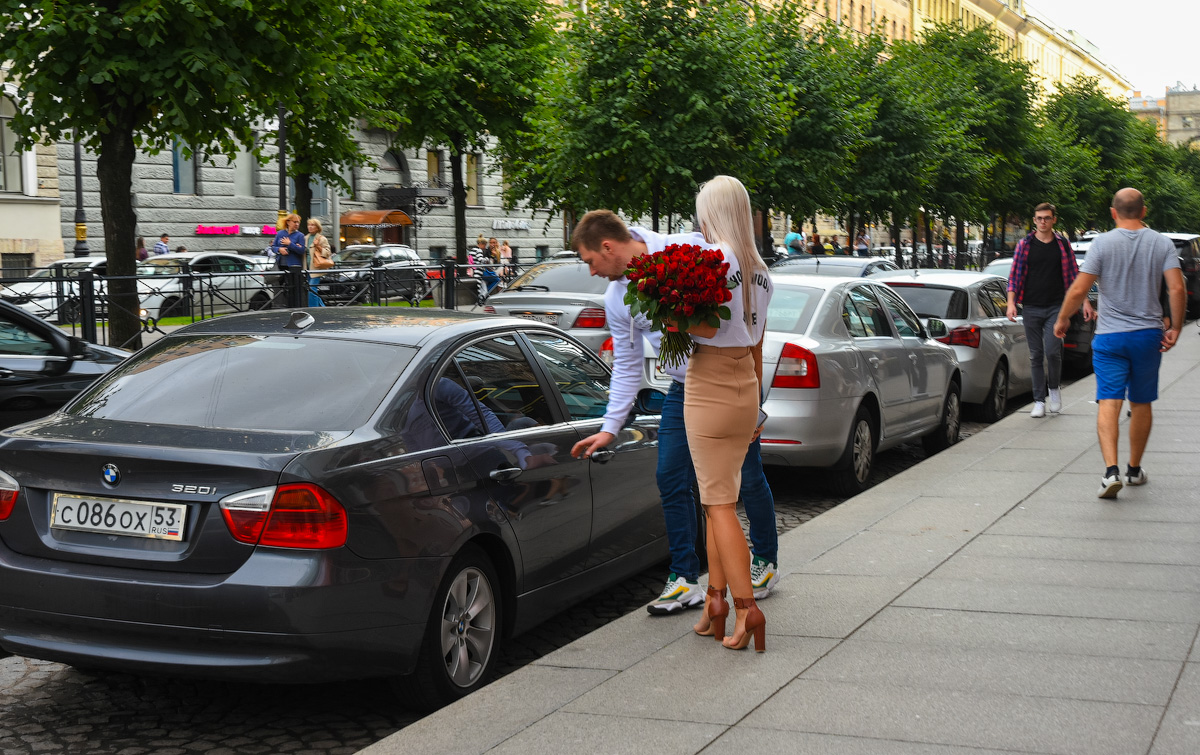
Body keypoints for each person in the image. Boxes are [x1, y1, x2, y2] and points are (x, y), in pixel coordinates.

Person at [569, 208, 780, 620]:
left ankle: (765, 563)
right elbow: (628, 364)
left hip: (724, 382)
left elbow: (747, 312)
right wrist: (610, 428)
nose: (591, 272)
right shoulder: (617, 298)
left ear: (608, 246)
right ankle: (685, 579)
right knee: (670, 475)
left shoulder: (688, 251)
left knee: (747, 476)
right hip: (685, 388)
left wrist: (752, 390)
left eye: (590, 261)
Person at [684, 175, 773, 652]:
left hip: (711, 383)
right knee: (720, 495)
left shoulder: (716, 259)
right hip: (744, 386)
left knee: (718, 505)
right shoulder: (760, 270)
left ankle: (746, 609)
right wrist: (756, 404)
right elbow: (757, 343)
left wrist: (671, 314)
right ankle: (714, 601)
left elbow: (704, 324)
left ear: (712, 212)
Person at [1054, 188, 1185, 499]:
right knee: (1141, 403)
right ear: (1144, 211)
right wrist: (1176, 326)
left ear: (1113, 212)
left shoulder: (1102, 244)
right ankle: (1134, 470)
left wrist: (1062, 320)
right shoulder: (1161, 243)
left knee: (1108, 401)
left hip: (1110, 337)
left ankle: (1110, 471)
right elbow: (1177, 288)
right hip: (1146, 336)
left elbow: (1077, 290)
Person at [1006, 203, 1096, 418]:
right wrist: (1011, 303)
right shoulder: (1025, 245)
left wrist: (1085, 302)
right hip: (1031, 307)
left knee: (1052, 352)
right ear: (1034, 220)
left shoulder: (1062, 245)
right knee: (1035, 355)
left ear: (1054, 219)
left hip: (1057, 307)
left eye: (1047, 218)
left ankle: (1054, 390)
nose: (1043, 221)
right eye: (1039, 218)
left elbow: (1075, 277)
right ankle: (1039, 400)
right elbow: (1014, 277)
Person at [271, 213, 306, 307]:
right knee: (281, 288)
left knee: (292, 288)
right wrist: (279, 249)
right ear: (288, 222)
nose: (297, 224)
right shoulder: (280, 233)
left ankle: (292, 307)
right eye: (295, 222)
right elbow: (273, 247)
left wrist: (290, 244)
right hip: (280, 264)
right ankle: (282, 305)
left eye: (298, 222)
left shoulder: (300, 235)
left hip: (294, 266)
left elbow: (302, 250)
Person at [305, 218, 331, 307]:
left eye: (312, 225)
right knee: (311, 289)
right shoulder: (306, 238)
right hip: (307, 268)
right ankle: (322, 308)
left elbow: (327, 253)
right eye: (309, 225)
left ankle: (313, 310)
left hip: (316, 268)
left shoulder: (321, 238)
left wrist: (318, 246)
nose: (310, 227)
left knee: (312, 288)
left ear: (317, 227)